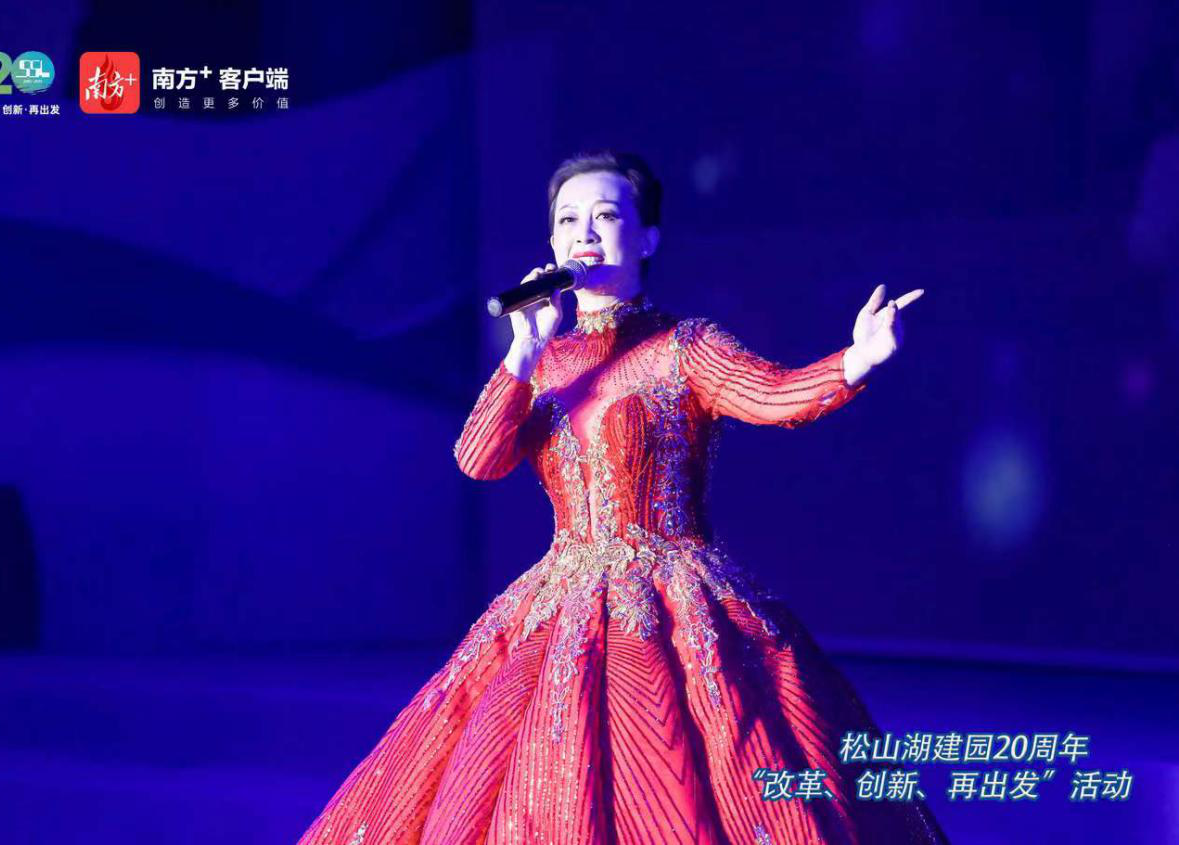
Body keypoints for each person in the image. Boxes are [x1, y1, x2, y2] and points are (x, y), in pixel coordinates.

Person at [296, 151, 950, 844]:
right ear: (551, 243)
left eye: (605, 215)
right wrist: (522, 350)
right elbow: (478, 460)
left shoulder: (685, 346)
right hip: (556, 602)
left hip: (676, 599)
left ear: (646, 239)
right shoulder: (542, 362)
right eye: (567, 220)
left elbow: (773, 397)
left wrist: (857, 359)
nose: (583, 232)